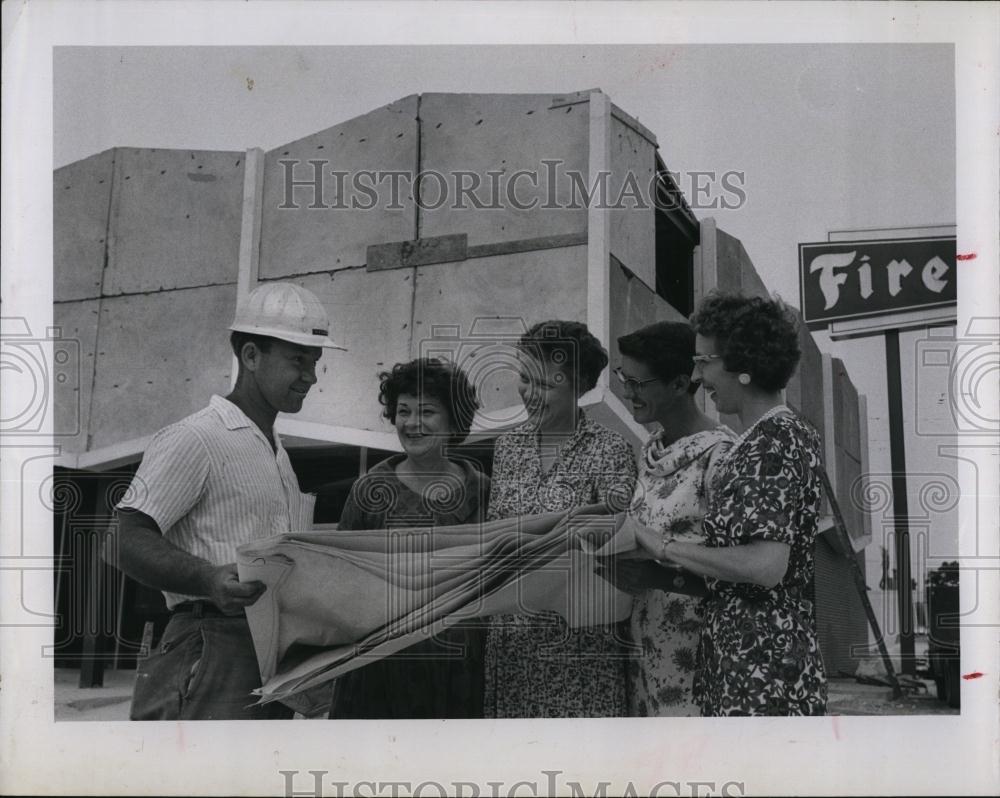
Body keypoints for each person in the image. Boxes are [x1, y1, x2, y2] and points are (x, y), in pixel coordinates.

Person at [104, 281, 346, 720]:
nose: (310, 376)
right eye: (297, 360)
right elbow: (121, 538)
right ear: (251, 356)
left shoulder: (277, 455)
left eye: (315, 362)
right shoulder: (197, 437)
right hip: (212, 641)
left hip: (271, 651)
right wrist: (209, 578)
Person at [633, 292, 828, 716]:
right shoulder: (772, 436)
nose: (699, 377)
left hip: (760, 663)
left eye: (705, 362)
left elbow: (765, 565)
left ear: (743, 366)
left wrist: (662, 546)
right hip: (745, 657)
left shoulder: (774, 439)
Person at [484, 320, 638, 718]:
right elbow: (494, 535)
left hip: (578, 646)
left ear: (580, 386)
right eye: (524, 378)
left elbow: (618, 547)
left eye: (547, 385)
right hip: (512, 640)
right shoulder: (506, 448)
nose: (530, 394)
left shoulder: (611, 450)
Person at [329, 357, 490, 719]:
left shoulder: (484, 490)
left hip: (460, 671)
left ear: (454, 420)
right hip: (382, 672)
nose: (412, 424)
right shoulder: (370, 489)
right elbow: (338, 580)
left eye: (427, 411)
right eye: (403, 411)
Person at [610, 321, 734, 716]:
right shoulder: (651, 451)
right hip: (643, 651)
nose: (627, 392)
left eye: (637, 384)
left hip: (696, 656)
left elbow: (743, 574)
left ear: (681, 384)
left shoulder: (722, 456)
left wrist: (658, 577)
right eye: (623, 378)